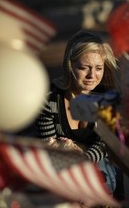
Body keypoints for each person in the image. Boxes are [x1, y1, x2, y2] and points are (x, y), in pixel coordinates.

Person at [36, 29, 119, 195]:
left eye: (98, 68)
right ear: (69, 66)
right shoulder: (49, 102)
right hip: (61, 171)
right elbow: (49, 148)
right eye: (84, 67)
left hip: (99, 172)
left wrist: (84, 160)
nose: (92, 75)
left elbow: (106, 144)